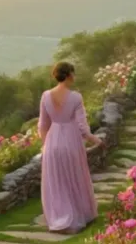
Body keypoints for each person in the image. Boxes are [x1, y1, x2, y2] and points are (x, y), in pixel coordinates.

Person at [38, 62, 102, 234]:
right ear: (69, 75)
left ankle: (59, 216)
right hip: (71, 140)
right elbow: (82, 126)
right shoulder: (75, 97)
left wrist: (45, 145)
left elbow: (42, 125)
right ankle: (78, 214)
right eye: (73, 73)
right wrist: (95, 140)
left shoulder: (46, 96)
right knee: (75, 177)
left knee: (57, 181)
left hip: (52, 141)